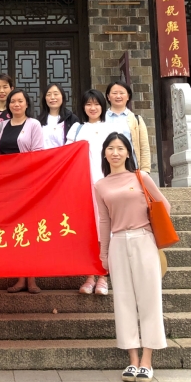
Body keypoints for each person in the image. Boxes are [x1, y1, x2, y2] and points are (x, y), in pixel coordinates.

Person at [96, 132, 169, 382]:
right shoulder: (100, 185)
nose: (115, 153)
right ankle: (133, 359)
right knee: (123, 301)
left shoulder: (141, 177)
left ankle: (147, 361)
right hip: (117, 242)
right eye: (110, 148)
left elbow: (164, 206)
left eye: (120, 148)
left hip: (143, 239)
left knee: (149, 300)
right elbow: (104, 221)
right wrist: (104, 253)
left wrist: (148, 226)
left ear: (128, 152)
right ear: (105, 153)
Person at [0, 89, 44, 293]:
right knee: (14, 230)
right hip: (7, 185)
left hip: (27, 184)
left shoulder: (34, 124)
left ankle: (32, 278)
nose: (16, 104)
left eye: (20, 101)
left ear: (27, 104)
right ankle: (20, 277)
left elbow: (38, 154)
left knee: (29, 228)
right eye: (13, 101)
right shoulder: (0, 126)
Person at [66, 89, 111, 296]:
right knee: (88, 230)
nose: (92, 108)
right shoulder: (77, 129)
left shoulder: (111, 128)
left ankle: (103, 276)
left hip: (107, 184)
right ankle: (89, 276)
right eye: (88, 104)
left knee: (105, 229)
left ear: (103, 106)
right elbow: (67, 157)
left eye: (96, 104)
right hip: (83, 186)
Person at [104, 81, 151, 174]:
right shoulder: (101, 118)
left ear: (128, 96)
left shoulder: (136, 119)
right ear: (108, 96)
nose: (118, 96)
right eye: (114, 93)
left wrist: (145, 170)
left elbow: (144, 147)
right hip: (106, 167)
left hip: (131, 167)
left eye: (122, 93)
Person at [37, 83, 80, 150]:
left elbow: (77, 144)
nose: (52, 97)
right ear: (45, 99)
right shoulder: (38, 121)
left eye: (56, 94)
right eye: (49, 94)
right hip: (44, 156)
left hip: (65, 156)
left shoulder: (71, 119)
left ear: (62, 97)